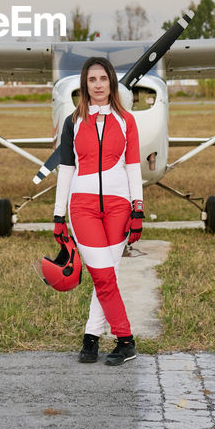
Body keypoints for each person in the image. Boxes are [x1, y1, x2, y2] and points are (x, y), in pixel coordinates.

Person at [51, 56, 144, 365]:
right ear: (85, 85)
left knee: (108, 275)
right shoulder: (73, 122)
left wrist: (138, 210)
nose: (98, 85)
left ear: (111, 83)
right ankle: (125, 339)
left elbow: (133, 168)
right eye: (92, 80)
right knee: (103, 275)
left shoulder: (126, 120)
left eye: (103, 79)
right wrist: (58, 215)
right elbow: (65, 170)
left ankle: (91, 339)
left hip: (119, 206)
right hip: (83, 207)